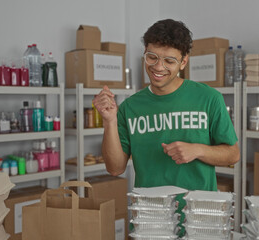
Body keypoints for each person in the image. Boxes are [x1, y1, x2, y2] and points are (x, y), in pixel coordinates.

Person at [93, 19, 240, 234]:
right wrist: (109, 121)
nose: (158, 67)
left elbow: (233, 154)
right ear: (145, 53)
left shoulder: (209, 98)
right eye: (152, 57)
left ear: (183, 62)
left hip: (200, 220)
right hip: (152, 221)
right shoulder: (130, 107)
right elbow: (115, 168)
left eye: (169, 61)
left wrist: (197, 150)